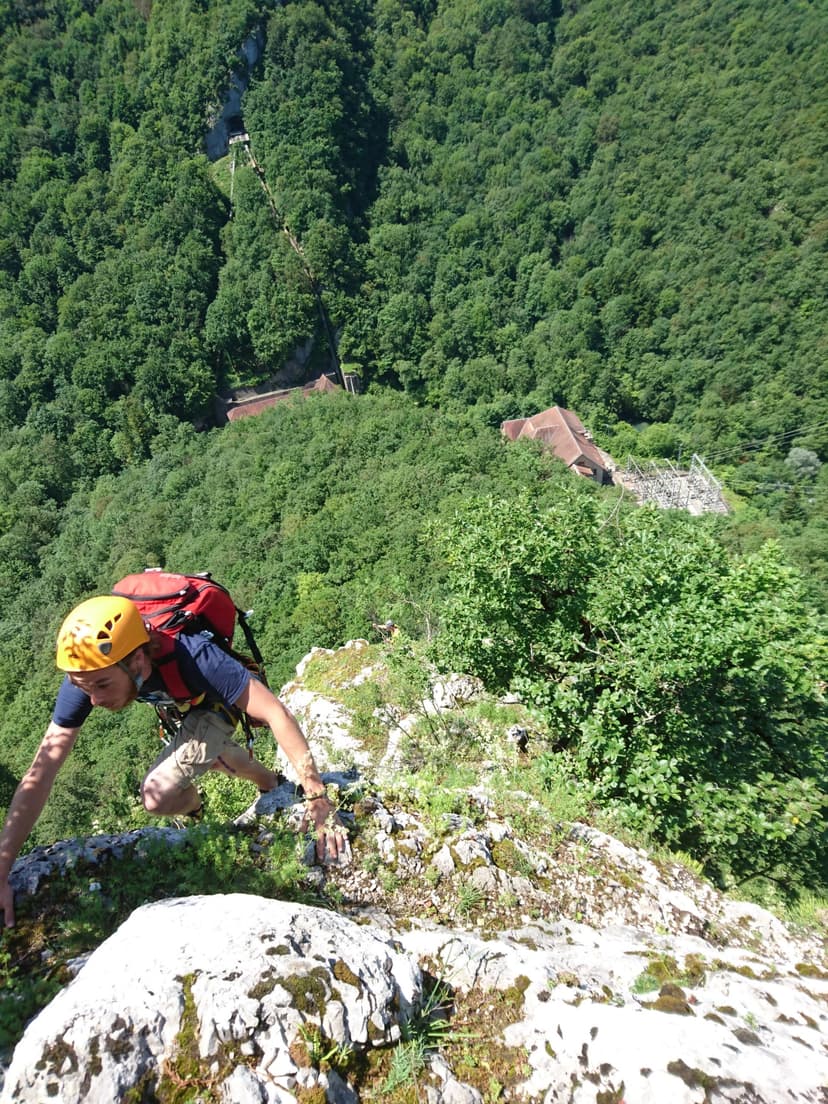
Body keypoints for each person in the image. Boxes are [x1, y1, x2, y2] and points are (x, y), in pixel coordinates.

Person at [0, 595, 349, 928]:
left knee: (156, 795)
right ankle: (268, 782)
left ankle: (196, 806)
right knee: (213, 752)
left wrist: (317, 797)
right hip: (181, 705)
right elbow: (41, 771)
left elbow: (275, 712)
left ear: (137, 660)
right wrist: (2, 869)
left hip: (215, 704)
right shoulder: (90, 671)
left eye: (102, 685)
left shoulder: (195, 656)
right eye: (83, 687)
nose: (92, 698)